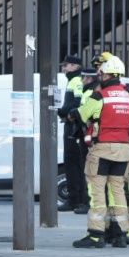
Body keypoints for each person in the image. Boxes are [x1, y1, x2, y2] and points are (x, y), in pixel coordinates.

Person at [74, 54, 129, 248]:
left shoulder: (100, 96)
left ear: (105, 75)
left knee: (97, 192)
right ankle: (121, 233)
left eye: (100, 73)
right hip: (123, 150)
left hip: (102, 149)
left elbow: (81, 114)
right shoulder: (128, 97)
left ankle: (96, 235)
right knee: (118, 191)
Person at [56, 55, 90, 214]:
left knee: (73, 163)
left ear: (76, 66)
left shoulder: (76, 81)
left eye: (67, 65)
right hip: (73, 125)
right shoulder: (74, 80)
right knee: (75, 163)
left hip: (73, 126)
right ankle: (76, 199)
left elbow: (76, 103)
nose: (64, 68)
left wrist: (64, 112)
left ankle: (75, 199)